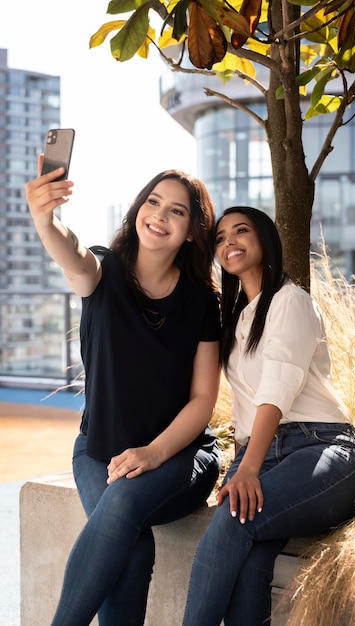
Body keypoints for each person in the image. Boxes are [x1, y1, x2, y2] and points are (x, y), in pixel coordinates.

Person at [25, 161, 221, 626]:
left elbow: (202, 401)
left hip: (180, 460)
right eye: (153, 202)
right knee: (132, 551)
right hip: (98, 454)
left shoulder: (201, 301)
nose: (159, 215)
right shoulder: (101, 271)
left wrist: (154, 453)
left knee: (124, 503)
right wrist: (45, 219)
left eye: (176, 211)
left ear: (193, 231)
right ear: (138, 208)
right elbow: (71, 254)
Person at [182, 206, 355, 626]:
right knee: (249, 559)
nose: (229, 241)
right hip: (264, 455)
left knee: (234, 523)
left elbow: (275, 393)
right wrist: (240, 463)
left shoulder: (291, 301)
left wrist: (247, 469)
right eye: (220, 237)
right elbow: (245, 404)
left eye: (241, 231)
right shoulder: (238, 317)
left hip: (322, 449)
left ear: (265, 240)